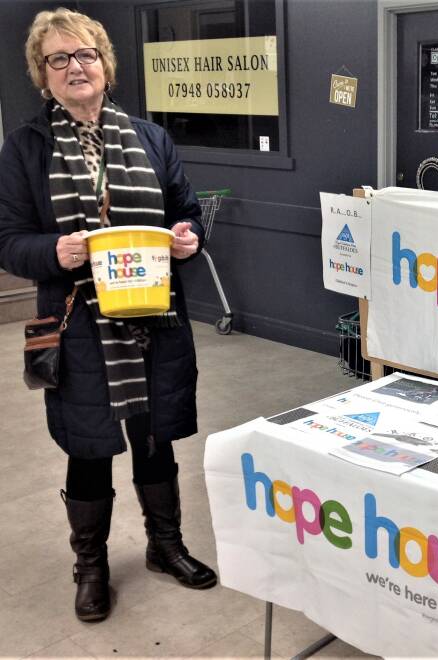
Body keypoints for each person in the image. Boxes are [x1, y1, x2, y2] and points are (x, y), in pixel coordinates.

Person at [0, 8, 217, 623]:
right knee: (90, 444)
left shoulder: (150, 138)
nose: (75, 67)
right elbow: (8, 241)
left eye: (85, 54)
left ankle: (164, 545)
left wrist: (188, 236)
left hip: (155, 319)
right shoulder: (25, 148)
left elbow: (187, 211)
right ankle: (90, 565)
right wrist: (56, 251)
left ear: (105, 64)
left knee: (155, 437)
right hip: (79, 325)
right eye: (58, 58)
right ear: (43, 74)